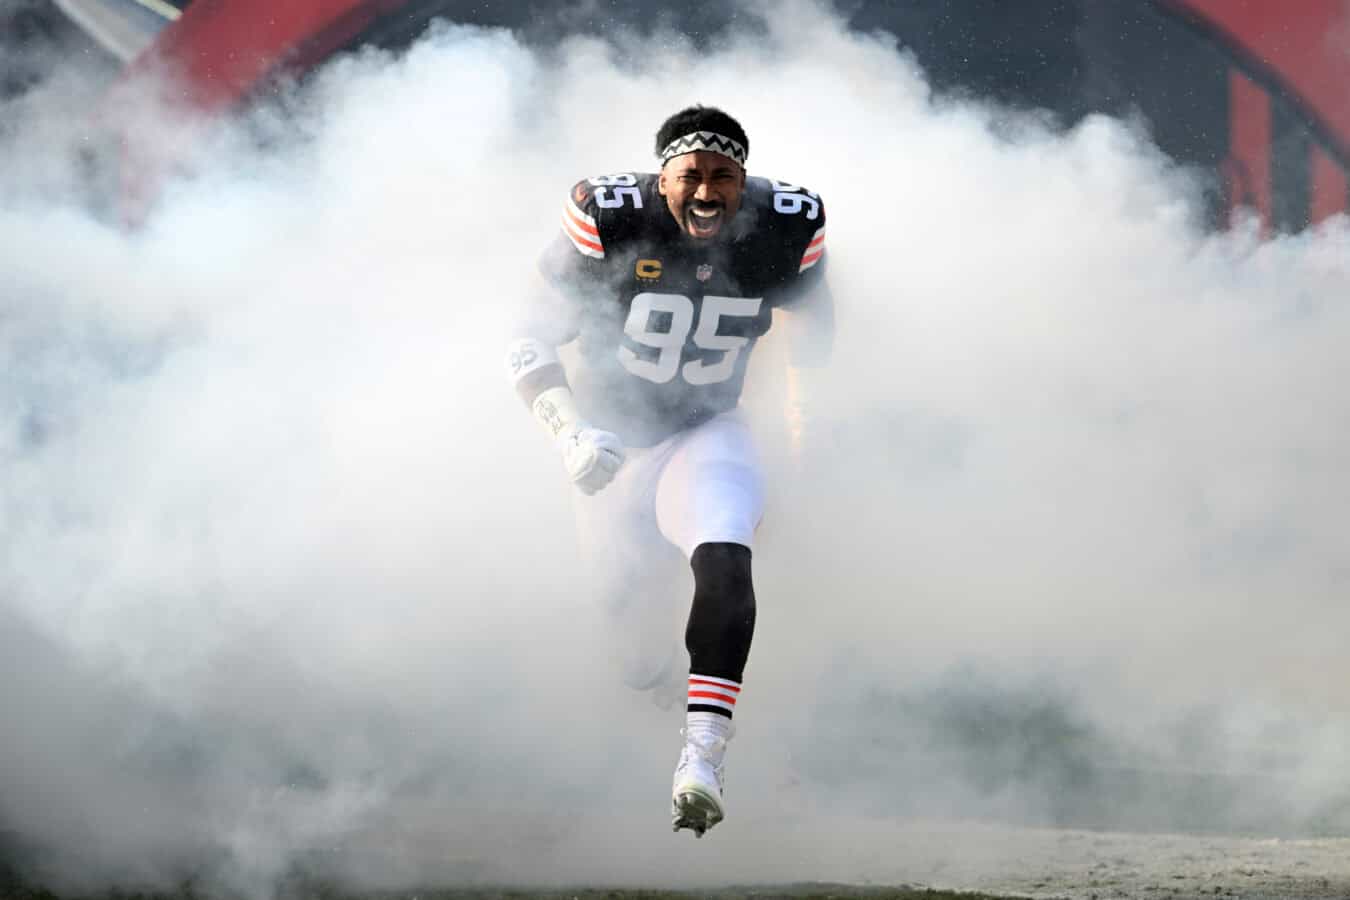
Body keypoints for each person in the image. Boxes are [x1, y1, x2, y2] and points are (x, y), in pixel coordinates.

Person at [506, 105, 832, 837]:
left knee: (725, 555)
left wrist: (807, 412)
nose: (708, 192)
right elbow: (525, 339)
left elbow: (815, 326)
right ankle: (655, 695)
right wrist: (569, 433)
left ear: (744, 181)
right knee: (626, 642)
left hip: (705, 428)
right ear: (664, 180)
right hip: (610, 443)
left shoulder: (786, 225)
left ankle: (704, 755)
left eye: (724, 176)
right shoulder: (612, 217)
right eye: (691, 176)